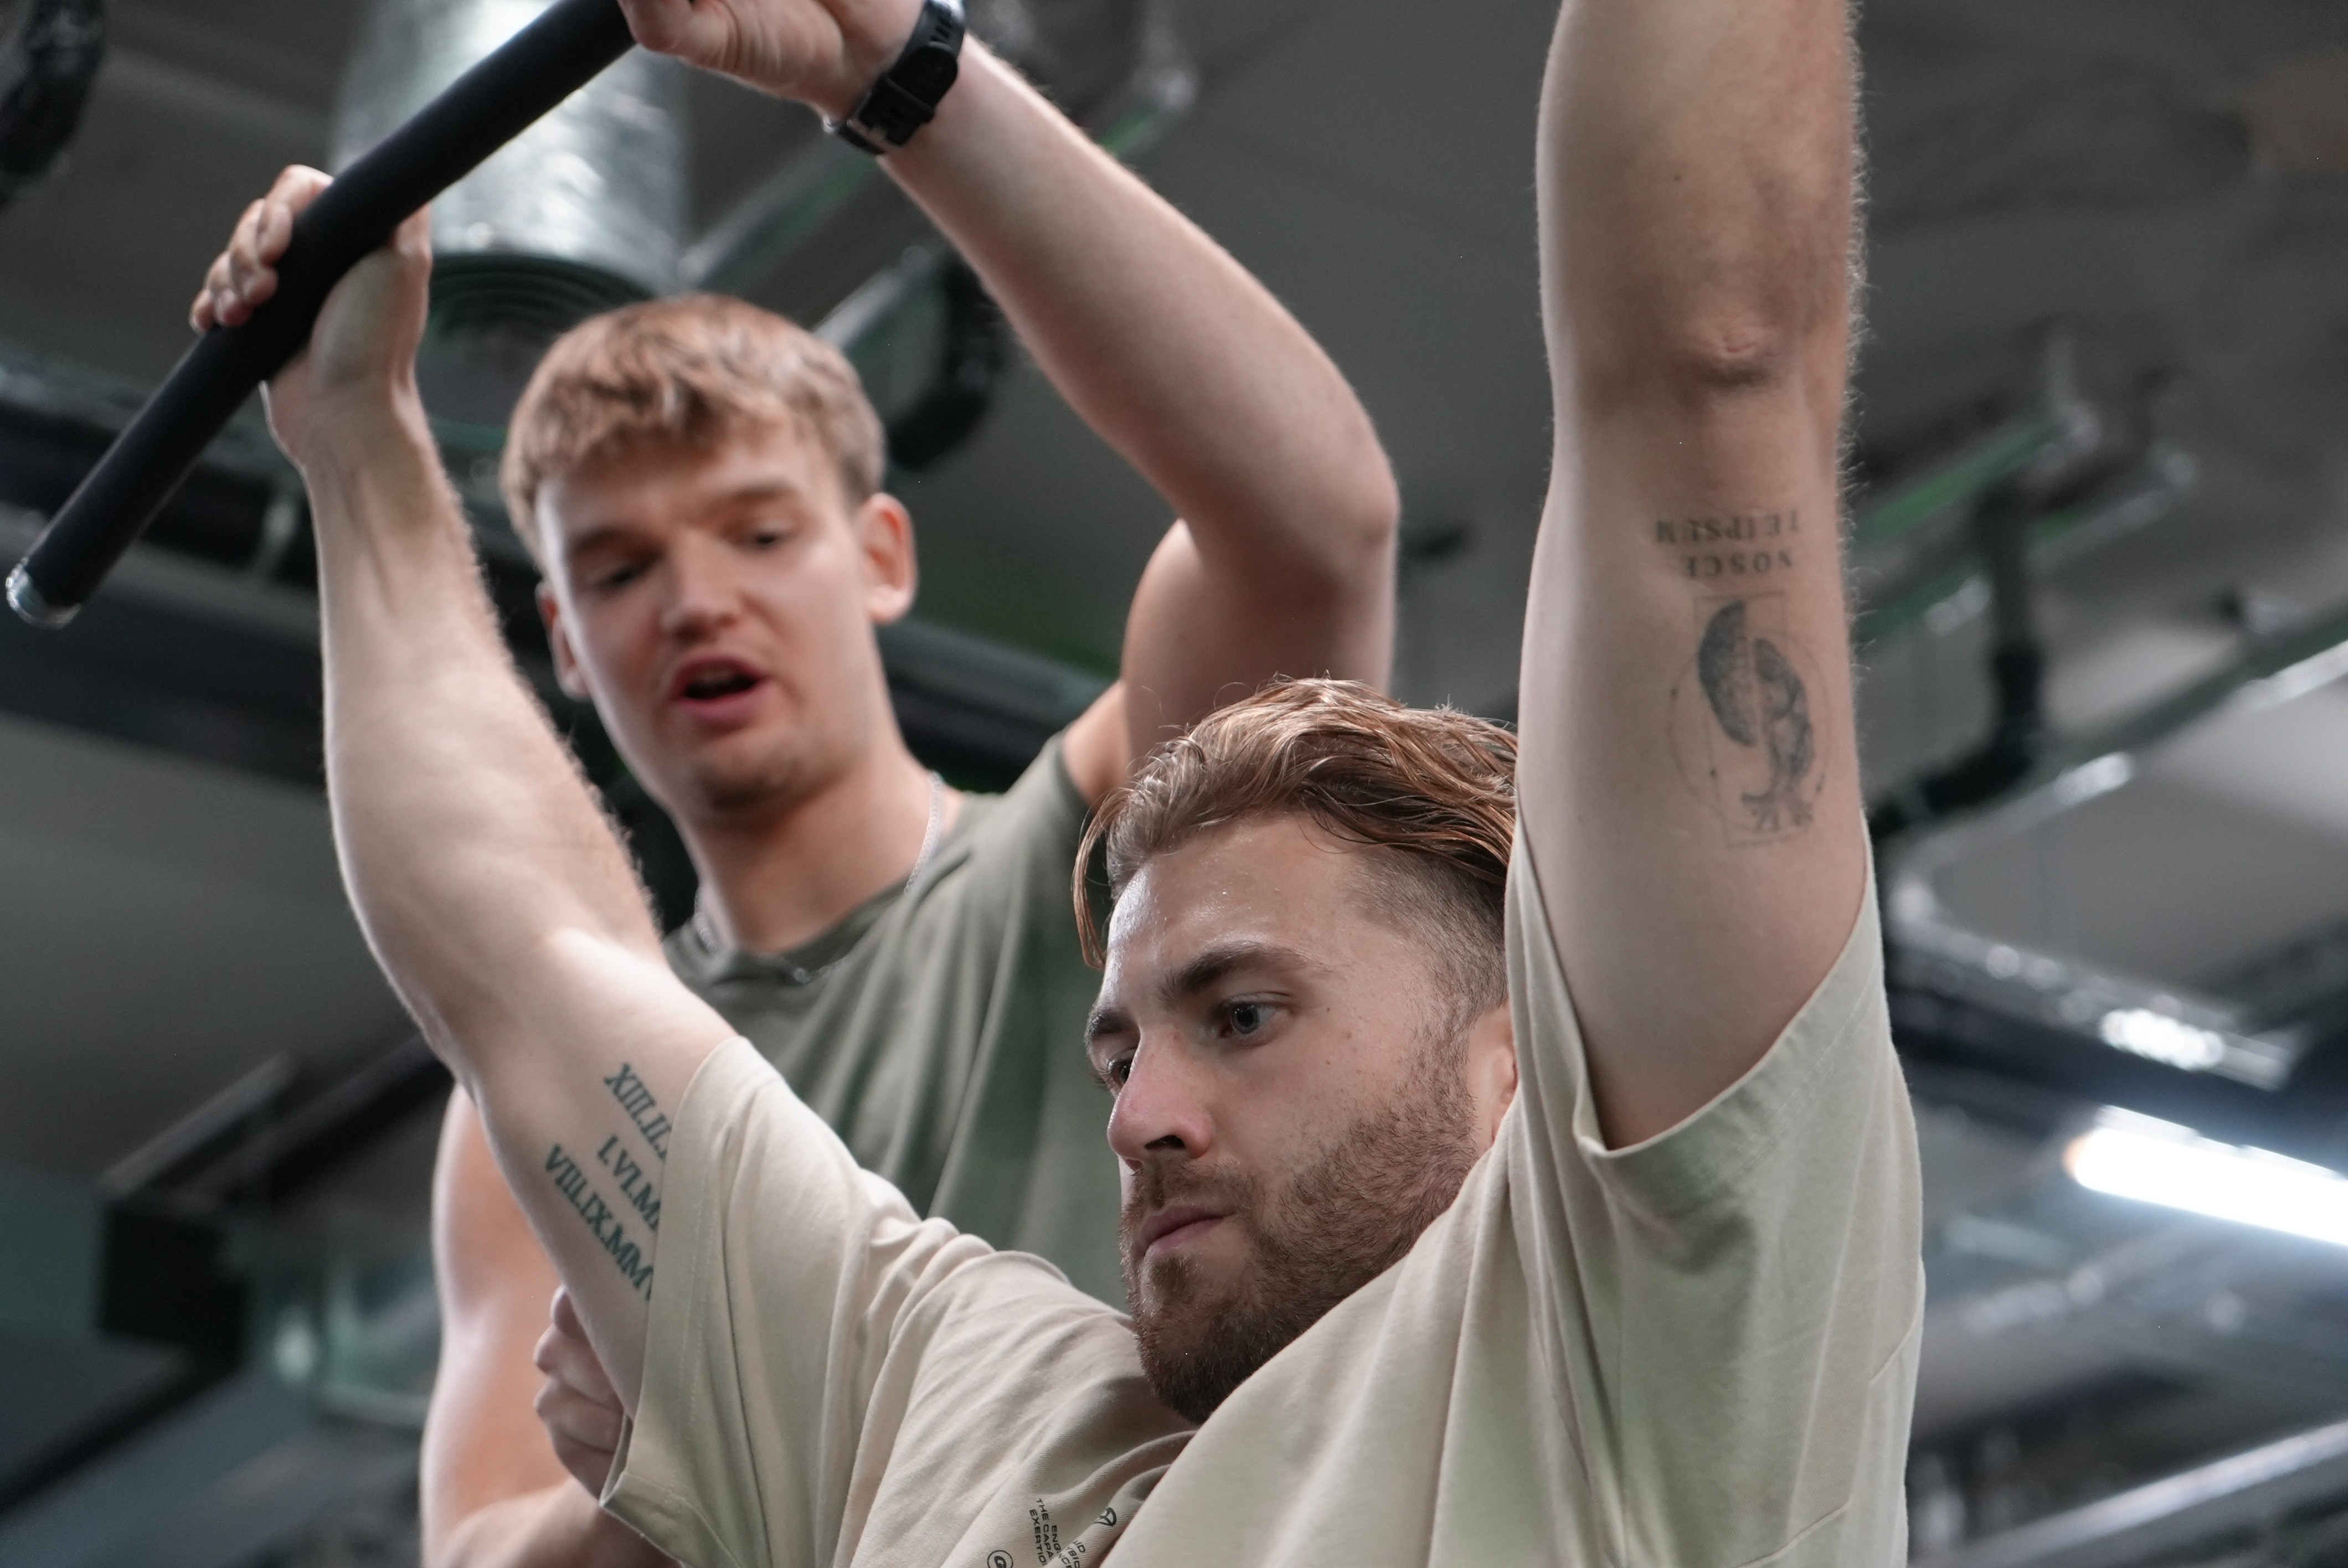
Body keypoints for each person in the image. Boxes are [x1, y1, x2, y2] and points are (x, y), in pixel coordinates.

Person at [198, 0, 1922, 1547]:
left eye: (1242, 1014)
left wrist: (903, 67)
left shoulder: (1644, 1360)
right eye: (1118, 1049)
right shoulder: (977, 1415)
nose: (1137, 1117)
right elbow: (517, 949)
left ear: (1516, 1064)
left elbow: (1706, 367)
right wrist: (352, 438)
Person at [194, 0, 1399, 1560]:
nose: (698, 603)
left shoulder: (1108, 865)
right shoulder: (542, 1093)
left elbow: (1311, 528)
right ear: (562, 642)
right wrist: (653, 1485)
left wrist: (900, 68)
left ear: (881, 556)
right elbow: (474, 1544)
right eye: (622, 569)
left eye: (759, 534)